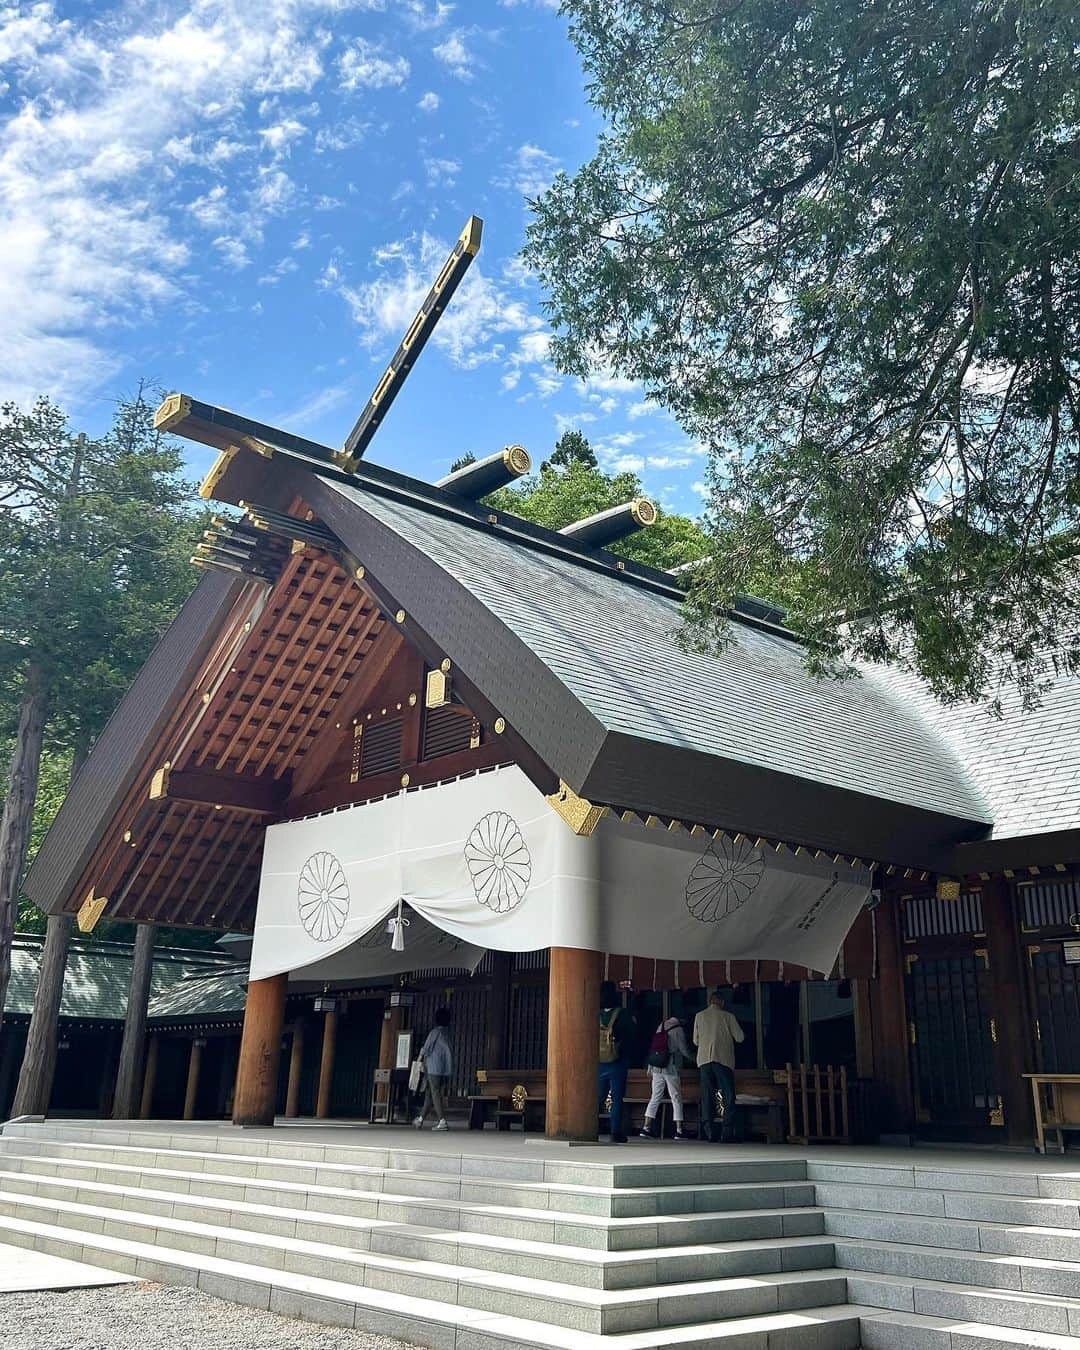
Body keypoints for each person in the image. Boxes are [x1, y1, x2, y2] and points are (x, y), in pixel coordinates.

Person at [692, 990, 744, 1142]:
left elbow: (695, 1041)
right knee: (728, 1095)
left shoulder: (699, 1016)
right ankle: (727, 1132)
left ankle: (709, 1131)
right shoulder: (728, 1016)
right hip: (723, 1059)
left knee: (707, 1095)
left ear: (709, 1001)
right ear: (722, 1002)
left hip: (704, 1061)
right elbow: (740, 1037)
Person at [639, 1015, 693, 1140]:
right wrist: (694, 1058)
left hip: (657, 1066)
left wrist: (650, 1067)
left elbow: (655, 1046)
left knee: (655, 1097)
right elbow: (684, 1050)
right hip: (671, 1066)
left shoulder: (661, 1025)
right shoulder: (678, 1029)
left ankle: (646, 1127)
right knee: (676, 1097)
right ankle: (679, 1130)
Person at [598, 980, 634, 1143]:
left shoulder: (596, 1015)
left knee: (598, 1097)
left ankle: (590, 1127)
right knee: (617, 1098)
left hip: (598, 1060)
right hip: (617, 1060)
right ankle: (615, 1131)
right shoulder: (622, 1014)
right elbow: (632, 1033)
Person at [413, 1007, 453, 1132]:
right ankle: (420, 1119)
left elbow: (426, 1047)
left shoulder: (435, 1032)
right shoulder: (447, 1033)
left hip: (433, 1067)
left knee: (434, 1093)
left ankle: (442, 1121)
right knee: (430, 1094)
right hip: (444, 1069)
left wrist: (418, 1060)